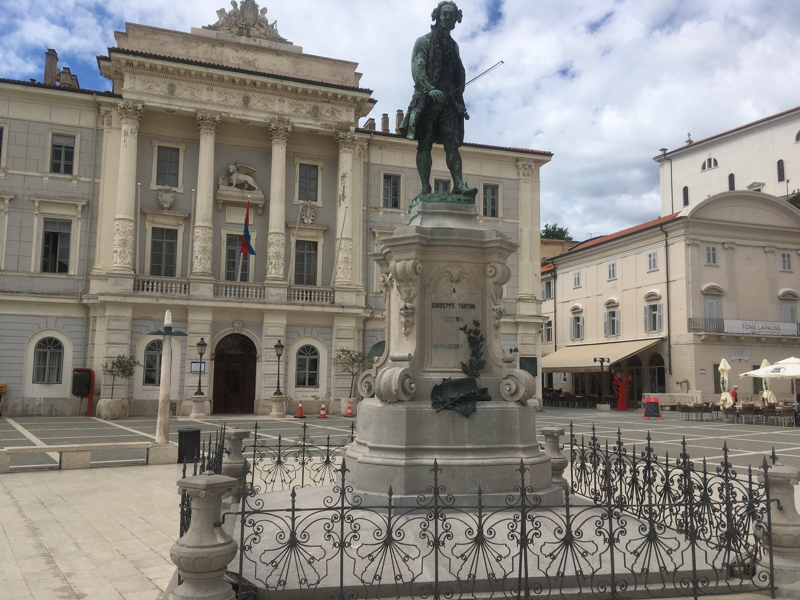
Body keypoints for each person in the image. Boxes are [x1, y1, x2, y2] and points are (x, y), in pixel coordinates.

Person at [398, 1, 478, 198]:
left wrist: (459, 97)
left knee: (453, 143)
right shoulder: (423, 41)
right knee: (424, 143)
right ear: (437, 16)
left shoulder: (454, 46)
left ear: (456, 19)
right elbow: (418, 66)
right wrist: (428, 88)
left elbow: (458, 72)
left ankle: (458, 184)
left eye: (452, 15)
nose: (447, 18)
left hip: (449, 101)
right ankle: (425, 187)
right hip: (428, 100)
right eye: (444, 14)